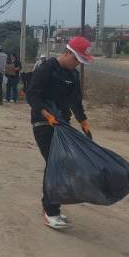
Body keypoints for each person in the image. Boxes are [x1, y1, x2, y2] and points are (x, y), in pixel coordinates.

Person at [26, 36, 93, 229]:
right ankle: (50, 210)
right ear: (67, 53)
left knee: (64, 164)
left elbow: (75, 101)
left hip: (62, 123)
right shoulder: (46, 69)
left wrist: (83, 121)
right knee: (56, 164)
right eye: (76, 60)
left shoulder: (72, 75)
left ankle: (52, 207)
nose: (77, 65)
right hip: (43, 123)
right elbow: (32, 94)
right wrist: (46, 114)